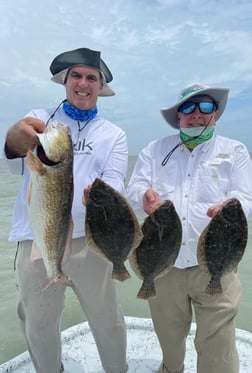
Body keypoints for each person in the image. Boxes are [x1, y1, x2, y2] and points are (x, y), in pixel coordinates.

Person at [3, 47, 128, 373]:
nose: (83, 83)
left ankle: (117, 369)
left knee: (108, 319)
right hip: (37, 235)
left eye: (92, 77)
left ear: (100, 86)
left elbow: (116, 182)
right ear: (65, 81)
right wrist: (12, 140)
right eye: (77, 75)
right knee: (38, 322)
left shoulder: (113, 135)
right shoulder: (39, 119)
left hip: (90, 240)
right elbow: (13, 164)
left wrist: (102, 197)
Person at [126, 82, 252, 373]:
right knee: (169, 339)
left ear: (216, 114)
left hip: (217, 264)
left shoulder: (235, 151)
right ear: (178, 116)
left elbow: (247, 197)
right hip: (162, 265)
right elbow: (134, 190)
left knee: (217, 344)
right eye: (188, 108)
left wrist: (230, 206)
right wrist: (143, 197)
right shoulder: (154, 150)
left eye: (206, 107)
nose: (197, 113)